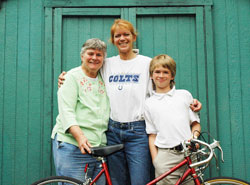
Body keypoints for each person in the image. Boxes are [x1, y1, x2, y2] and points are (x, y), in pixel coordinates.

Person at [58, 19, 202, 185]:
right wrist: (66, 77)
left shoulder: (146, 63)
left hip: (138, 132)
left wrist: (189, 103)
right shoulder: (107, 63)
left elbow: (162, 89)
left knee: (140, 180)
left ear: (133, 37)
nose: (122, 38)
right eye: (117, 35)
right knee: (117, 181)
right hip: (112, 131)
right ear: (113, 40)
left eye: (126, 34)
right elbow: (88, 67)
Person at [51, 38, 110, 185]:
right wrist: (80, 137)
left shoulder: (105, 78)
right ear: (82, 56)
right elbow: (66, 111)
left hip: (98, 148)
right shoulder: (71, 77)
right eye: (91, 53)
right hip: (73, 146)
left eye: (99, 55)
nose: (94, 58)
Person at [144, 54, 201, 185]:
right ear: (151, 75)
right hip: (165, 156)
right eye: (157, 72)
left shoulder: (184, 95)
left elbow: (196, 124)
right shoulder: (149, 103)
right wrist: (156, 160)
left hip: (188, 153)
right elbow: (152, 135)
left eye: (166, 72)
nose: (161, 75)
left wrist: (193, 137)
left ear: (172, 76)